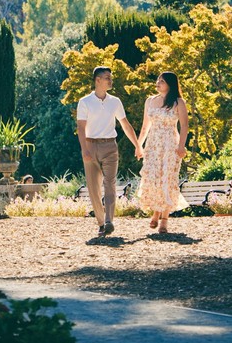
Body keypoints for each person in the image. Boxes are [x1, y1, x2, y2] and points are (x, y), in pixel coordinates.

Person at [76, 66, 143, 237]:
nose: (111, 80)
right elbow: (81, 128)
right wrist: (84, 149)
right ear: (98, 80)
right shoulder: (85, 102)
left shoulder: (115, 102)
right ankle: (101, 222)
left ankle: (109, 221)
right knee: (94, 188)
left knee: (110, 183)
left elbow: (125, 125)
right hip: (90, 145)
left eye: (110, 78)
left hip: (110, 146)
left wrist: (137, 145)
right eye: (107, 78)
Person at [138, 71, 189, 235]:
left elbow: (185, 126)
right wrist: (139, 145)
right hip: (153, 145)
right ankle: (155, 212)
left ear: (170, 84)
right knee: (154, 178)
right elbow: (145, 126)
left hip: (170, 144)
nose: (158, 83)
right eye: (158, 80)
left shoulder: (178, 102)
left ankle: (164, 220)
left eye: (162, 81)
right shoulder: (150, 101)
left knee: (167, 178)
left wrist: (181, 146)